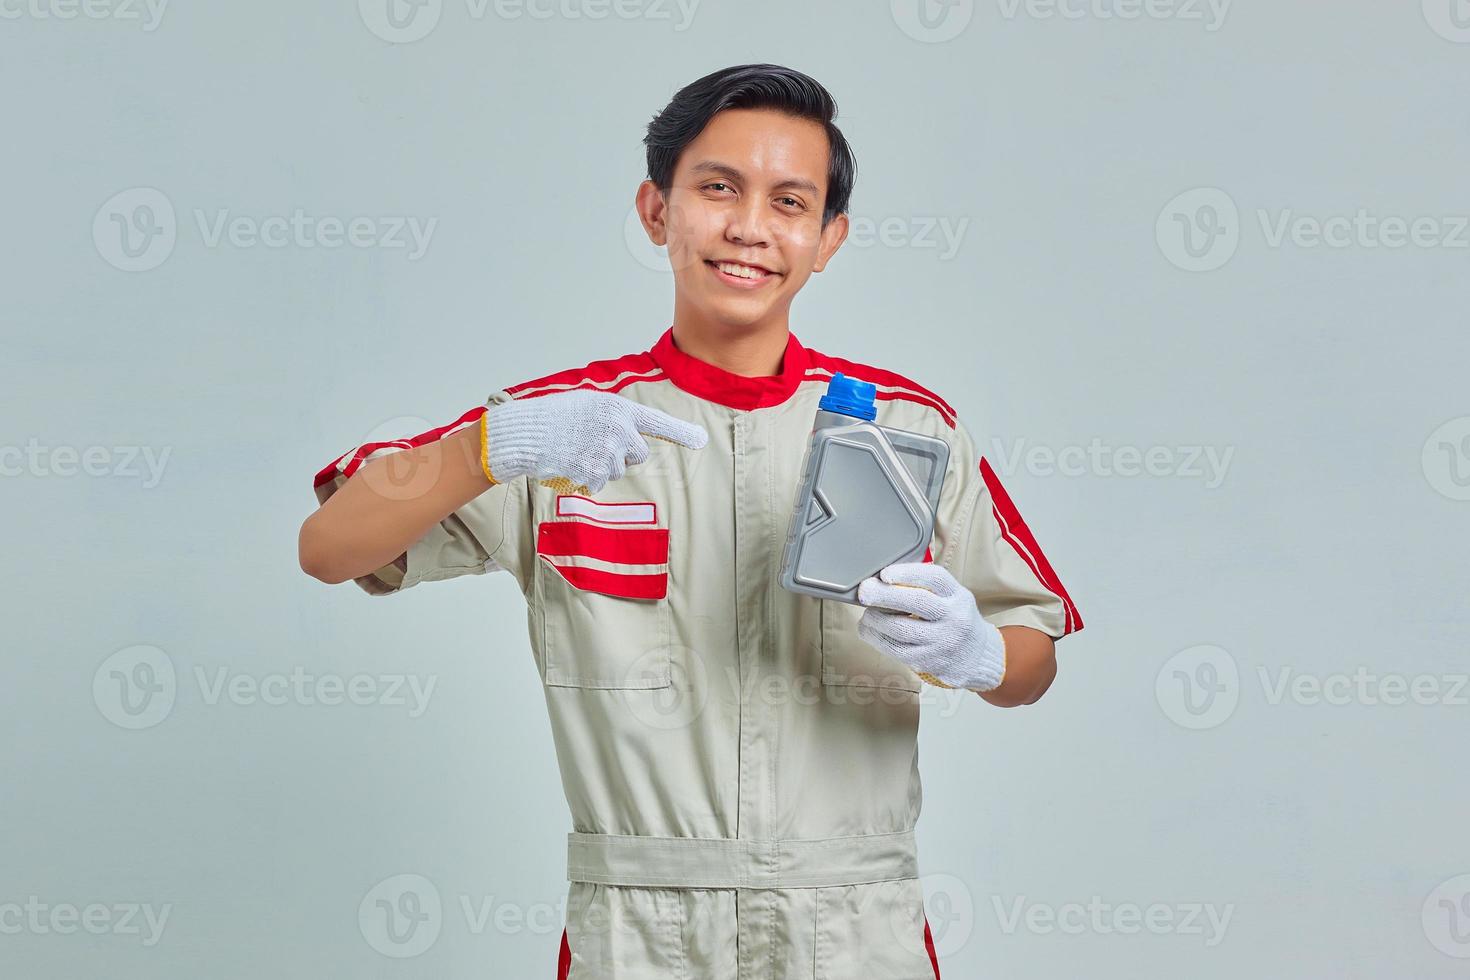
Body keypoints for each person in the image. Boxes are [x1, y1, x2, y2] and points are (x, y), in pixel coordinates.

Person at [299, 63, 1083, 980]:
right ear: (656, 209)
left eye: (791, 201)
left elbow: (1035, 653)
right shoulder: (559, 428)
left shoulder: (914, 431)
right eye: (718, 188)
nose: (750, 226)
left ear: (829, 238)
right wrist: (491, 444)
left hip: (855, 922)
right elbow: (330, 549)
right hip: (637, 923)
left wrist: (978, 656)